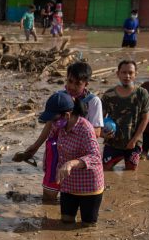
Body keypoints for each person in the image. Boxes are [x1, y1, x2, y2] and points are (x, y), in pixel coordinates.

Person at [13, 62, 103, 202]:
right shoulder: (60, 96)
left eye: (77, 83)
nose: (72, 87)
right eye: (69, 81)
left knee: (77, 191)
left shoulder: (93, 101)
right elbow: (50, 123)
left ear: (86, 84)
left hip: (78, 150)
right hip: (56, 149)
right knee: (50, 190)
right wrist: (35, 146)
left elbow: (96, 132)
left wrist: (76, 125)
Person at [38, 92, 104, 226]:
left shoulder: (85, 128)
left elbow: (95, 157)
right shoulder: (58, 126)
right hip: (68, 184)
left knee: (87, 226)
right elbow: (51, 144)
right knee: (66, 222)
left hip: (89, 185)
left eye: (55, 119)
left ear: (67, 115)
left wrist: (71, 163)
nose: (53, 122)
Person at [101, 60, 149, 171]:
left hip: (133, 143)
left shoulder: (142, 94)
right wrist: (103, 134)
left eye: (130, 72)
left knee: (131, 171)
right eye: (123, 72)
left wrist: (134, 140)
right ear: (118, 74)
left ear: (135, 74)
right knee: (105, 169)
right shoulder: (109, 95)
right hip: (112, 142)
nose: (127, 76)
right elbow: (100, 119)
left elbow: (145, 119)